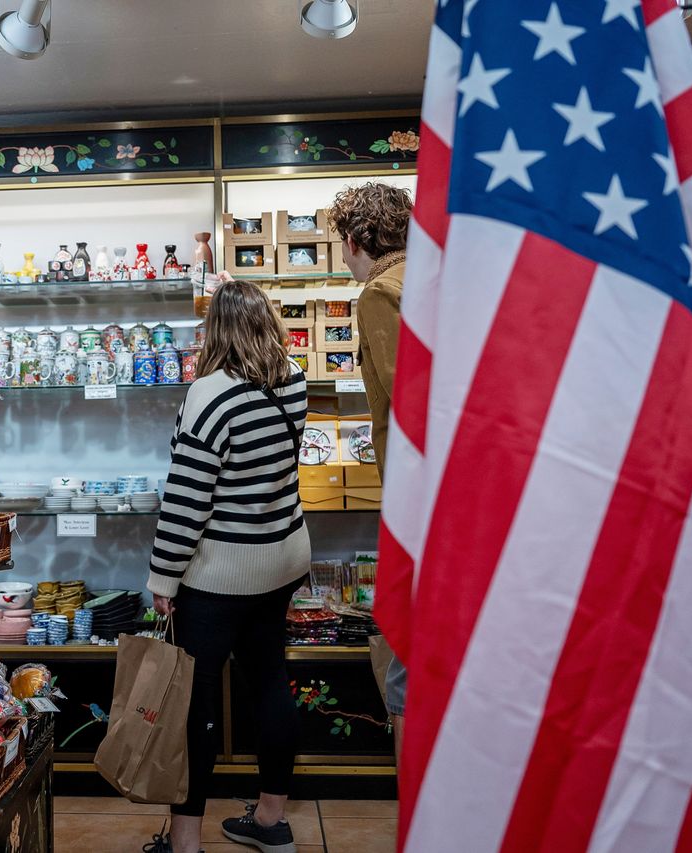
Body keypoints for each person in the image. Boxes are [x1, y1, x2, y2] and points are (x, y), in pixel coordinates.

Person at [145, 278, 309, 853]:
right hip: (281, 558)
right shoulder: (292, 380)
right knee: (270, 680)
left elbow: (187, 500)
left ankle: (185, 841)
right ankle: (270, 820)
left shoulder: (209, 394)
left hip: (221, 572)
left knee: (196, 702)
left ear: (215, 329)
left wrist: (163, 578)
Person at [327, 181, 412, 749]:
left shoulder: (380, 293)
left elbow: (412, 402)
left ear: (356, 240)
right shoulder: (432, 276)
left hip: (421, 495)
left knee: (408, 662)